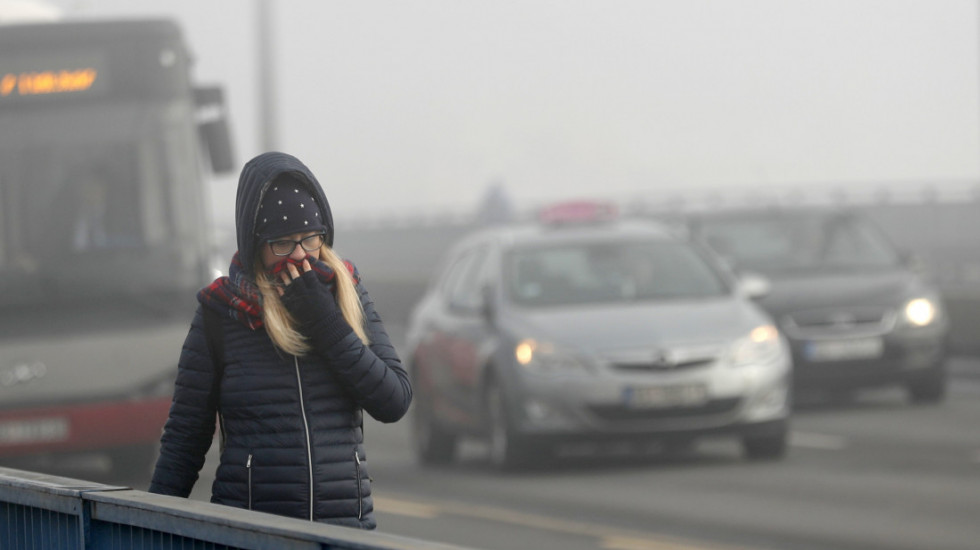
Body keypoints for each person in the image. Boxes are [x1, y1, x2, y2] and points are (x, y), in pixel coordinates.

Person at [149, 151, 412, 529]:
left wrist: (325, 321)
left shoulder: (347, 292)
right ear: (256, 245)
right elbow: (185, 438)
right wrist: (146, 525)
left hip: (346, 534)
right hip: (253, 534)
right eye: (283, 244)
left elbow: (394, 400)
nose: (301, 256)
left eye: (310, 239)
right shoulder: (220, 312)